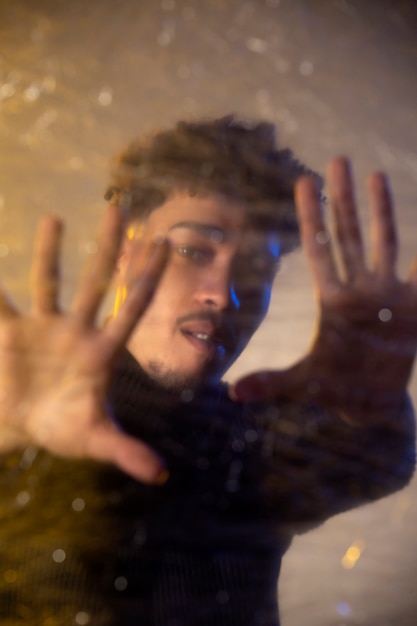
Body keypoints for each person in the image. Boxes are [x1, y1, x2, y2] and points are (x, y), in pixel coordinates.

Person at [0, 116, 415, 626]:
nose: (224, 294)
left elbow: (368, 465)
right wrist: (10, 442)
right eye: (194, 251)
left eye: (254, 270)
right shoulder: (24, 406)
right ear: (123, 252)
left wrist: (368, 411)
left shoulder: (246, 439)